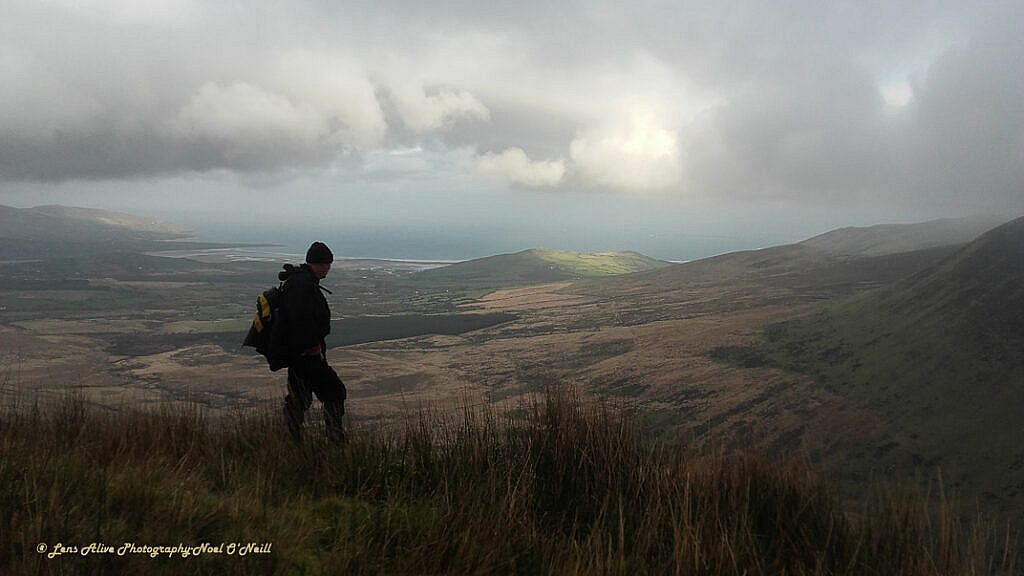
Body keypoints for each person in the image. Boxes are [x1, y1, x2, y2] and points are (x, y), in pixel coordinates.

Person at [278, 241, 347, 443]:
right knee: (335, 392)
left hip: (298, 355)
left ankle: (290, 439)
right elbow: (301, 321)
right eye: (328, 263)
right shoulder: (303, 285)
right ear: (321, 263)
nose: (329, 268)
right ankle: (334, 440)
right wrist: (312, 348)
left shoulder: (299, 282)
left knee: (300, 398)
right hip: (307, 355)